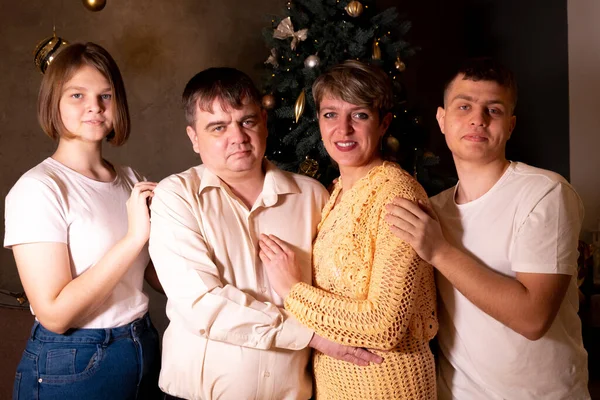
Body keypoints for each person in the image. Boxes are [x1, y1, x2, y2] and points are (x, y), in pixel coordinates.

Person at [148, 67, 381, 400]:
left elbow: (345, 285)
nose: (238, 137)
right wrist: (311, 335)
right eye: (218, 127)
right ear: (194, 138)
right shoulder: (177, 196)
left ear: (264, 123)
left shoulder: (313, 196)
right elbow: (201, 303)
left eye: (247, 121)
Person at [385, 57, 590, 399]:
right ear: (443, 119)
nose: (477, 119)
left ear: (509, 126)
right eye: (463, 106)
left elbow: (533, 318)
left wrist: (438, 251)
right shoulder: (431, 209)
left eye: (493, 110)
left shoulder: (544, 193)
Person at [258, 60, 438, 400]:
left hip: (389, 386)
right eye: (330, 114)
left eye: (359, 115)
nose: (343, 129)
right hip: (336, 385)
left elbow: (385, 324)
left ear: (383, 123)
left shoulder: (396, 195)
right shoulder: (338, 191)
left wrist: (291, 289)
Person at [4, 42, 163, 400]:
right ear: (53, 103)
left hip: (142, 343)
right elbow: (56, 315)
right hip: (77, 360)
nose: (94, 106)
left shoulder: (131, 178)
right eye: (77, 94)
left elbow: (151, 272)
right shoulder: (38, 189)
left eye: (105, 95)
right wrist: (134, 238)